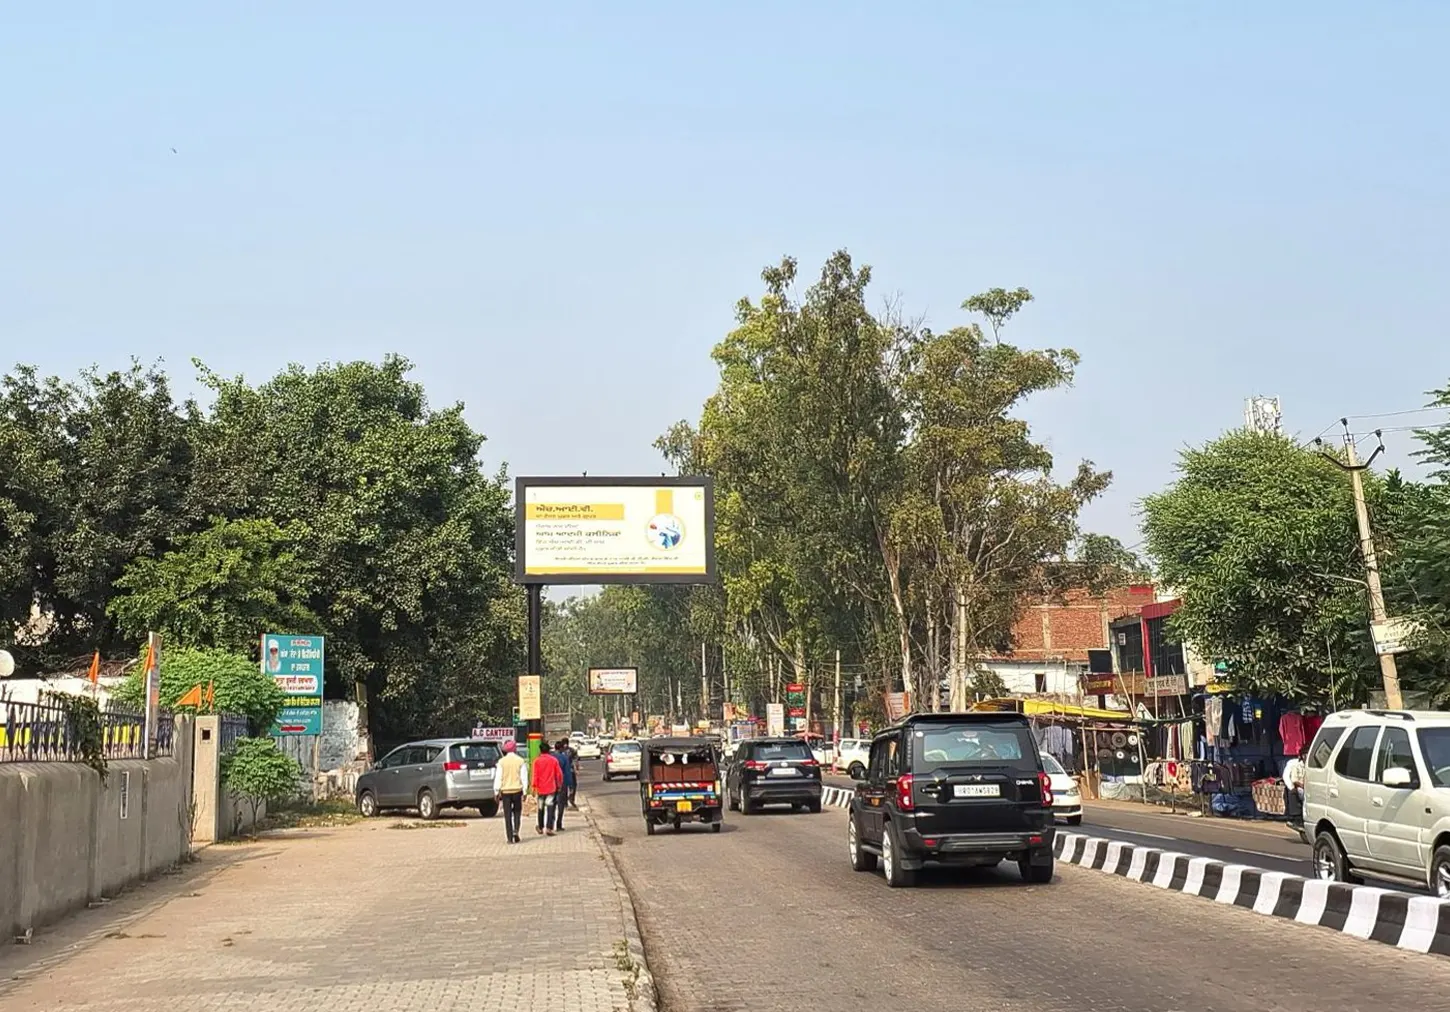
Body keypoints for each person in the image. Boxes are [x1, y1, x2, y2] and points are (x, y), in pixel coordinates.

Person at [494, 739, 528, 844]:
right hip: (517, 790)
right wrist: (525, 791)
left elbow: (498, 777)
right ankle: (516, 830)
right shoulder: (520, 761)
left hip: (505, 792)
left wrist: (496, 791)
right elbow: (524, 777)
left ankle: (509, 837)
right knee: (517, 812)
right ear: (515, 749)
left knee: (507, 814)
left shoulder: (501, 762)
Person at [532, 740, 563, 836]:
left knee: (540, 808)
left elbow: (535, 775)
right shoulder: (553, 760)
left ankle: (540, 827)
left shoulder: (537, 761)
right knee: (550, 807)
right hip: (551, 788)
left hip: (540, 788)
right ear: (548, 750)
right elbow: (559, 774)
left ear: (540, 750)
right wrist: (559, 785)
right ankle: (549, 828)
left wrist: (534, 787)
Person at [553, 739, 575, 829]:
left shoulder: (551, 757)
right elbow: (567, 773)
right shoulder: (564, 758)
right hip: (562, 783)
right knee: (561, 804)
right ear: (562, 749)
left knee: (551, 804)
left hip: (551, 784)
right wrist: (571, 785)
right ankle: (559, 824)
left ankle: (550, 823)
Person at [1283, 749, 1306, 829]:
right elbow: (1287, 777)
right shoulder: (1294, 764)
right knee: (1293, 793)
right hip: (1297, 787)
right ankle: (1296, 818)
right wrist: (1292, 787)